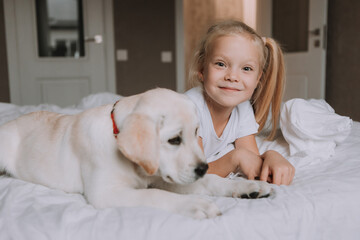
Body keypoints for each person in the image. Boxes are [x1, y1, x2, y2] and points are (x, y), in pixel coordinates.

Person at [185, 20, 295, 185]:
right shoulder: (189, 107)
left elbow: (250, 158)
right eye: (221, 64)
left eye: (246, 69)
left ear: (258, 79)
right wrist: (234, 159)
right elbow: (193, 173)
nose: (233, 77)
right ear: (202, 69)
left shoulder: (242, 108)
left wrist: (271, 156)